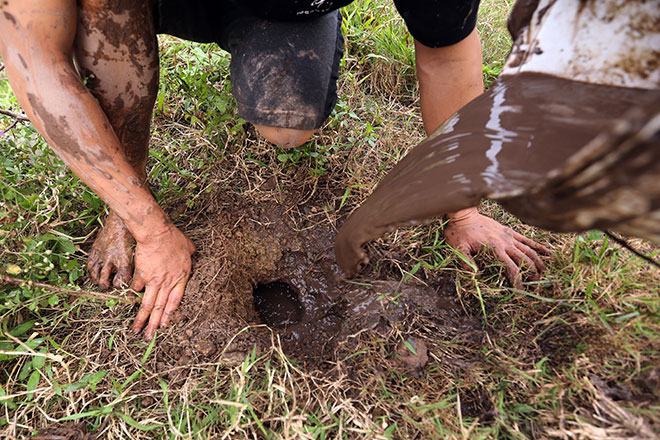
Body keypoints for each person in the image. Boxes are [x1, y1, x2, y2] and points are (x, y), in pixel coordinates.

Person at [0, 0, 548, 339]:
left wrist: (463, 206)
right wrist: (142, 222)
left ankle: (302, 14)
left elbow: (446, 53)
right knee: (105, 13)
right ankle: (123, 197)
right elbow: (37, 59)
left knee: (288, 125)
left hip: (276, 7)